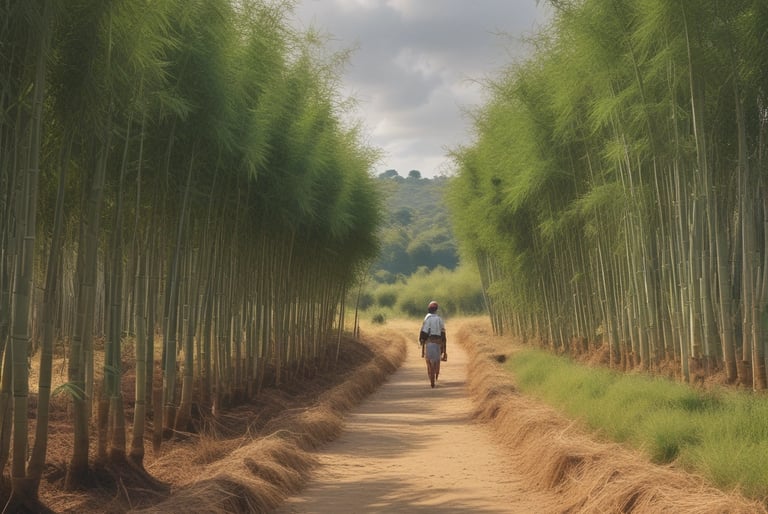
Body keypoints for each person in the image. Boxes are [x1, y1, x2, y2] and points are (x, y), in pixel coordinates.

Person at [419, 300, 446, 388]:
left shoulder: (428, 319)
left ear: (429, 309)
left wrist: (421, 340)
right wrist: (444, 343)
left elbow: (424, 331)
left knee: (428, 360)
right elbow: (443, 332)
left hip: (429, 341)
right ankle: (443, 356)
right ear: (436, 309)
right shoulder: (439, 319)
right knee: (438, 359)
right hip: (438, 342)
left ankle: (431, 374)